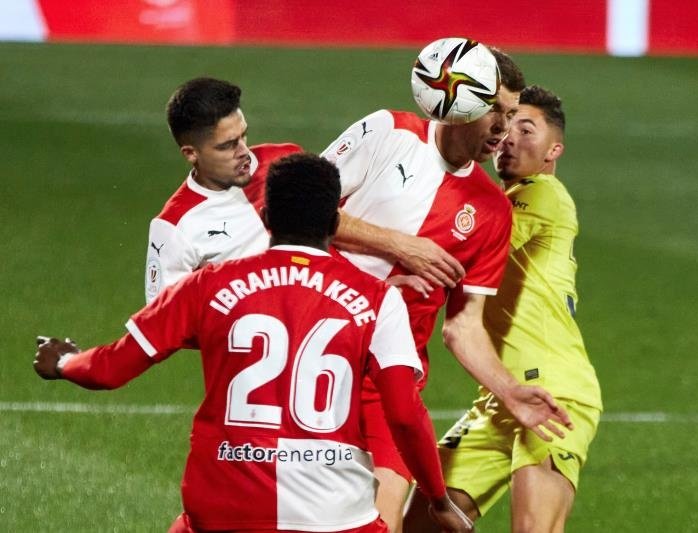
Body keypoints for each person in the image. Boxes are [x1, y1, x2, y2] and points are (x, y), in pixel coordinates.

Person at [34, 153, 474, 533]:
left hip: (224, 508)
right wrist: (437, 499)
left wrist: (65, 361)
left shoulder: (206, 286)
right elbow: (404, 413)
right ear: (334, 222)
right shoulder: (378, 299)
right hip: (334, 515)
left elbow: (110, 368)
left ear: (264, 217)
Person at [321, 47, 573, 532]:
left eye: (512, 113)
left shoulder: (491, 210)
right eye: (495, 109)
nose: (503, 127)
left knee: (380, 523)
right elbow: (294, 210)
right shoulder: (387, 132)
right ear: (459, 100)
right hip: (318, 357)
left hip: (390, 381)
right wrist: (401, 245)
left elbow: (463, 325)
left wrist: (511, 392)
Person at [404, 85, 603, 533]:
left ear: (555, 150)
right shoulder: (494, 202)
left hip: (555, 393)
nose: (510, 136)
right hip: (499, 397)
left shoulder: (543, 195)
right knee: (419, 523)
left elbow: (466, 245)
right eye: (507, 124)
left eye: (526, 128)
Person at [144, 77, 302, 302]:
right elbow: (162, 323)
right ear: (191, 153)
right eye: (227, 145)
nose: (244, 151)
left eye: (243, 135)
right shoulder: (174, 227)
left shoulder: (287, 162)